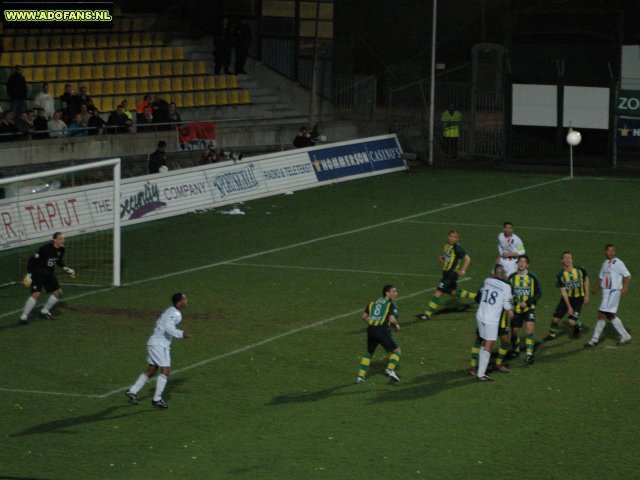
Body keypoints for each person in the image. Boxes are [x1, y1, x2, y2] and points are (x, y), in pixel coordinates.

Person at [125, 293, 191, 408]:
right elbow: (168, 327)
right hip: (160, 344)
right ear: (179, 301)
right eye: (185, 299)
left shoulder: (170, 310)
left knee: (152, 369)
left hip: (154, 342)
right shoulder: (175, 313)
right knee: (165, 370)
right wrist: (181, 334)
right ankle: (157, 399)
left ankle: (132, 391)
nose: (187, 301)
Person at [417, 229, 476, 320]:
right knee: (452, 292)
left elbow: (467, 259)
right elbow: (449, 257)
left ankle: (427, 314)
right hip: (447, 274)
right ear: (448, 237)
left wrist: (463, 270)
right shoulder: (447, 246)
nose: (452, 239)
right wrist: (443, 258)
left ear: (457, 239)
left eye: (455, 237)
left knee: (438, 291)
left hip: (450, 274)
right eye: (451, 236)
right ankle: (476, 296)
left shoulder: (457, 248)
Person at [19, 232, 76, 325]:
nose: (63, 240)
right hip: (38, 272)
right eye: (61, 239)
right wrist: (29, 275)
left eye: (63, 239)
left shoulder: (61, 249)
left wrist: (67, 268)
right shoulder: (45, 249)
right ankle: (23, 317)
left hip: (49, 272)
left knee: (58, 293)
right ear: (55, 240)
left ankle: (44, 311)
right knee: (36, 294)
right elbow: (32, 260)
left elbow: (58, 260)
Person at [470, 265, 513, 381]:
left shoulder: (487, 281)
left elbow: (479, 296)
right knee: (488, 344)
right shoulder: (506, 287)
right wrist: (511, 302)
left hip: (480, 315)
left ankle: (476, 368)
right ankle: (481, 374)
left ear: (493, 274)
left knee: (481, 341)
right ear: (503, 275)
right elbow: (507, 306)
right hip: (491, 319)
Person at [585, 244, 632, 348]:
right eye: (609, 251)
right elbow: (601, 277)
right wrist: (596, 288)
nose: (611, 253)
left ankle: (594, 340)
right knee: (610, 316)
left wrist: (625, 287)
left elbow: (628, 276)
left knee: (602, 314)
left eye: (613, 251)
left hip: (613, 292)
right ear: (605, 252)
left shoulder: (618, 263)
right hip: (606, 293)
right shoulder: (605, 263)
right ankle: (625, 335)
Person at [356, 284, 401, 383]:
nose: (396, 293)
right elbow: (392, 320)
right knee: (397, 350)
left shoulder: (373, 303)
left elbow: (364, 316)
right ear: (387, 293)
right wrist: (396, 326)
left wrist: (373, 322)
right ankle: (390, 369)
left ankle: (360, 376)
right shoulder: (391, 304)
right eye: (394, 291)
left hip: (371, 330)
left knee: (369, 353)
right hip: (382, 330)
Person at [544, 251, 589, 341]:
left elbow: (586, 279)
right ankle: (552, 334)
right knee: (556, 319)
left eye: (569, 257)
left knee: (571, 321)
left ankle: (578, 326)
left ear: (572, 259)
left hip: (578, 298)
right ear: (562, 260)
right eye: (565, 257)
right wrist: (569, 307)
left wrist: (586, 295)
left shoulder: (580, 270)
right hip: (566, 299)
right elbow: (563, 292)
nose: (568, 259)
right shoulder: (560, 275)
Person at [508, 254, 542, 365]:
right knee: (514, 332)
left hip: (529, 308)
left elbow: (538, 293)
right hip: (515, 310)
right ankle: (516, 348)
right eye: (520, 261)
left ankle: (529, 354)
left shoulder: (532, 277)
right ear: (517, 263)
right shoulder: (511, 277)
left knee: (529, 327)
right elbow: (507, 293)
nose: (522, 263)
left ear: (527, 264)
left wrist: (527, 303)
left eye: (524, 262)